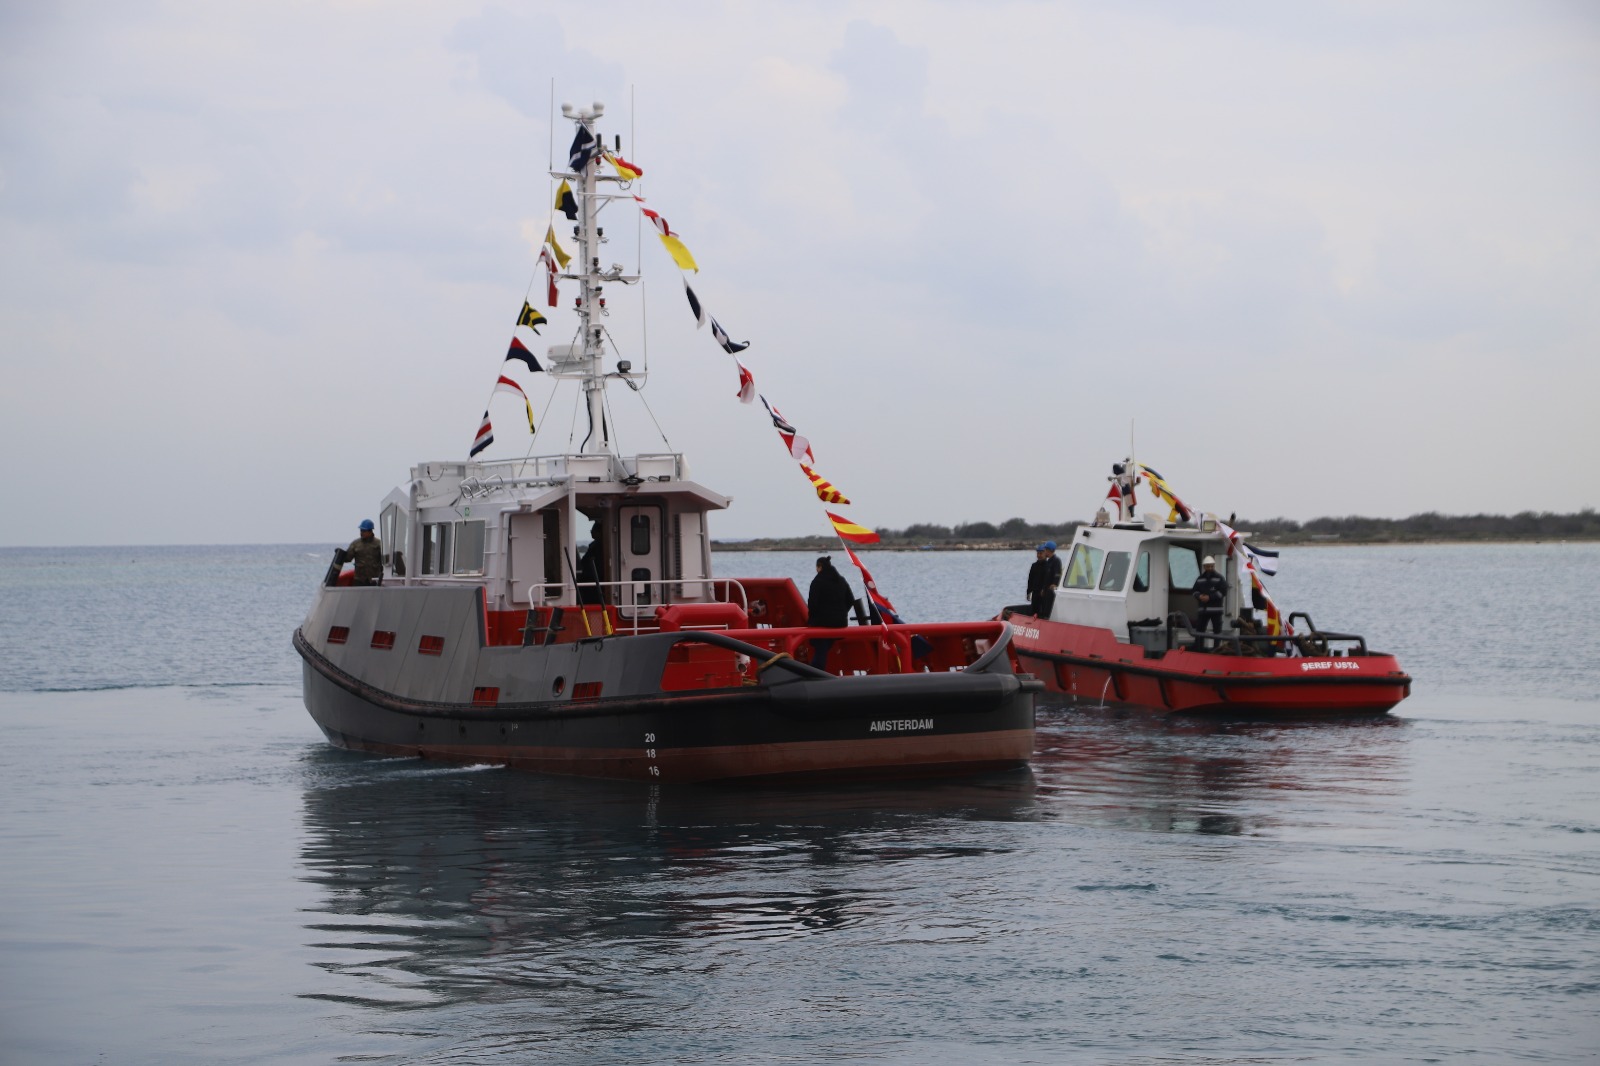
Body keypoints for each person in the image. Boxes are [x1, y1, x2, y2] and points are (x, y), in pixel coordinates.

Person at [806, 555, 855, 671]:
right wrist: (841, 613)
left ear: (820, 567)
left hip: (822, 623)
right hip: (840, 623)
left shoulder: (817, 582)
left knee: (820, 648)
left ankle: (816, 672)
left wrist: (813, 619)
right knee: (824, 647)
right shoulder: (841, 580)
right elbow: (850, 600)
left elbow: (812, 604)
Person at [1193, 555, 1227, 644]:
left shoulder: (1220, 578)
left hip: (1216, 611)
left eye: (1211, 566)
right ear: (1204, 567)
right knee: (1200, 630)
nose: (1210, 568)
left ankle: (1217, 649)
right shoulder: (1200, 579)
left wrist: (1210, 597)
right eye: (1208, 566)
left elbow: (1223, 592)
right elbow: (1194, 591)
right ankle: (1198, 648)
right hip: (1203, 610)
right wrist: (1199, 596)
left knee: (1217, 631)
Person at [346, 519, 383, 586]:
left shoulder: (379, 544)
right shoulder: (355, 544)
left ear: (370, 531)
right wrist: (340, 555)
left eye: (364, 531)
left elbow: (386, 561)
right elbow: (347, 558)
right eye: (361, 530)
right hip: (359, 580)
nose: (361, 533)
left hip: (374, 580)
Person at [577, 522, 605, 605]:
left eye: (593, 531)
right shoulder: (593, 545)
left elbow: (587, 561)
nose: (591, 533)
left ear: (599, 532)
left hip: (594, 578)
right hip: (590, 578)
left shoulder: (599, 546)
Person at [1033, 541, 1062, 619]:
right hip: (1046, 588)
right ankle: (1042, 616)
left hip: (1051, 589)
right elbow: (1046, 577)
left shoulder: (1056, 561)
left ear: (1049, 550)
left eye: (1045, 550)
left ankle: (1047, 617)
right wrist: (1043, 588)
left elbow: (1057, 574)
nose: (1044, 551)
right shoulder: (1049, 561)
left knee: (1049, 605)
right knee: (1043, 604)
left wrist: (1055, 583)